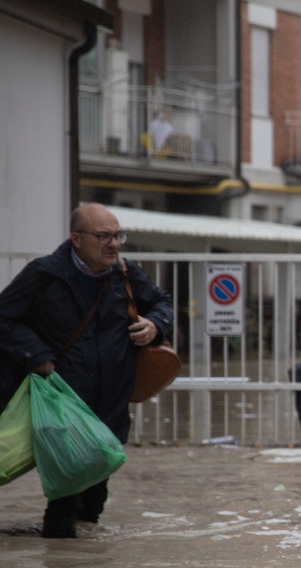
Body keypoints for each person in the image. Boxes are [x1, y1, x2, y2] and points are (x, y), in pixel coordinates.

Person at [0, 203, 173, 538]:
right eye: (103, 236)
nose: (114, 244)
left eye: (117, 235)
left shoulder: (125, 273)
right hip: (63, 401)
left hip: (110, 399)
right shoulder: (44, 274)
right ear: (77, 240)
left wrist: (156, 325)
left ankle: (82, 546)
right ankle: (62, 541)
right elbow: (4, 318)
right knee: (67, 495)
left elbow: (162, 301)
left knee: (94, 498)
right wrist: (36, 355)